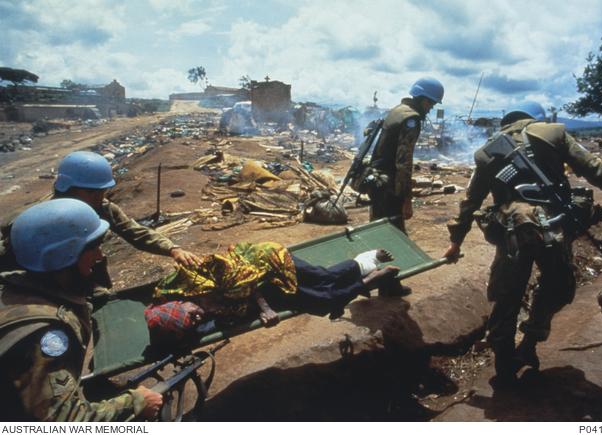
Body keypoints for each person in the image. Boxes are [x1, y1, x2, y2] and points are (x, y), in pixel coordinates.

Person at [443, 101, 602, 387]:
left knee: (506, 295)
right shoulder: (553, 133)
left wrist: (455, 241)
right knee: (559, 285)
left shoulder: (485, 153)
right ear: (536, 118)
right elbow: (600, 173)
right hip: (552, 226)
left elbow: (470, 202)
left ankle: (504, 365)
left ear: (507, 121)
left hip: (512, 230)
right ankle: (531, 340)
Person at [0, 199, 163, 421]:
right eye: (92, 247)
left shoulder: (11, 290)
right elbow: (63, 423)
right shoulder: (45, 334)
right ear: (62, 255)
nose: (99, 256)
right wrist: (134, 402)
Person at [0, 151, 202, 286]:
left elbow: (134, 231)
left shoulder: (101, 207)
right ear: (67, 188)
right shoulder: (33, 221)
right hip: (42, 285)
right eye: (91, 192)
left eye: (102, 192)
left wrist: (172, 249)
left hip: (85, 274)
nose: (99, 198)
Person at [148, 242, 400, 336]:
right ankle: (368, 279)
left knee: (321, 277)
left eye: (193, 314)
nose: (199, 317)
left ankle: (366, 260)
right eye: (195, 322)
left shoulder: (194, 277)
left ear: (180, 303)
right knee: (323, 300)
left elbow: (245, 278)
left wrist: (265, 309)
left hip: (265, 261)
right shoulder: (180, 308)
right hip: (264, 286)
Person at [369, 77, 444, 234]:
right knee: (394, 238)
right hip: (390, 186)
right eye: (431, 103)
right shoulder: (411, 119)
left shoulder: (398, 110)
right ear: (423, 99)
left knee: (377, 231)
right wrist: (406, 199)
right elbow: (403, 162)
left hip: (377, 181)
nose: (430, 108)